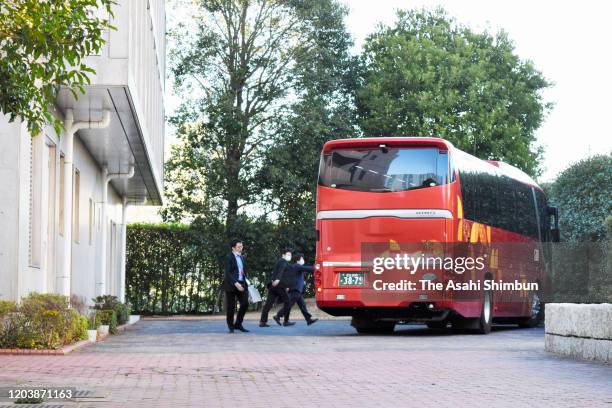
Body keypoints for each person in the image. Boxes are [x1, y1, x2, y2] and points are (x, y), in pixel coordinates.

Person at [279, 252, 318, 326]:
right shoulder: (297, 266)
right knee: (289, 304)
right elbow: (309, 269)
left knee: (302, 305)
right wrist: (316, 267)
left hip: (296, 290)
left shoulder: (296, 267)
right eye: (302, 258)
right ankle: (278, 316)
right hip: (295, 290)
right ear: (298, 260)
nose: (303, 260)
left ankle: (308, 319)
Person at [259, 248, 294, 327]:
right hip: (278, 285)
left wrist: (287, 286)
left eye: (290, 255)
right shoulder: (283, 262)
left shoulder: (281, 262)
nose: (290, 256)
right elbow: (280, 271)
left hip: (274, 286)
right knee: (288, 302)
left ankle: (263, 322)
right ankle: (280, 317)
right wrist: (277, 279)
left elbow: (284, 274)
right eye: (288, 255)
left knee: (268, 303)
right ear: (283, 255)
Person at [222, 239, 249, 333]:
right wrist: (236, 283)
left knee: (245, 303)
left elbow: (243, 271)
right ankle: (231, 326)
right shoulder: (228, 257)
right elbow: (228, 273)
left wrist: (247, 281)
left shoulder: (241, 257)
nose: (241, 248)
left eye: (242, 246)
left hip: (242, 283)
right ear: (233, 248)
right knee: (231, 307)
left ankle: (238, 324)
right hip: (231, 284)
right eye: (239, 247)